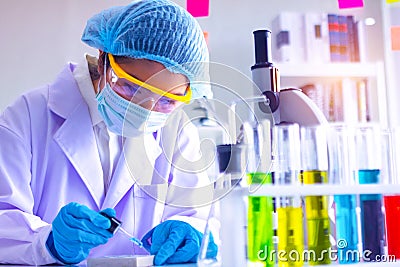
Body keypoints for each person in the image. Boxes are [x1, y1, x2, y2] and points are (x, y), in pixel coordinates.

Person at [0, 0, 217, 265]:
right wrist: (48, 241)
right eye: (130, 87)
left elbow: (199, 216)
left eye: (167, 100)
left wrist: (188, 229)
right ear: (103, 60)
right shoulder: (28, 116)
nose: (146, 110)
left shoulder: (179, 132)